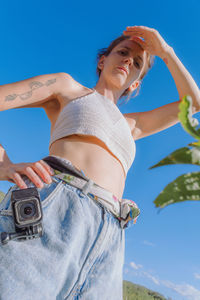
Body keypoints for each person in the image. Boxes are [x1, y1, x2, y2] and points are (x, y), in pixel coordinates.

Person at [0, 25, 199, 300]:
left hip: (111, 233)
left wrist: (165, 52)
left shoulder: (133, 126)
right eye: (123, 52)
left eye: (138, 62)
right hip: (55, 206)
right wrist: (4, 164)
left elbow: (193, 104)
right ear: (102, 60)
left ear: (136, 83)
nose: (129, 60)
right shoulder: (68, 88)